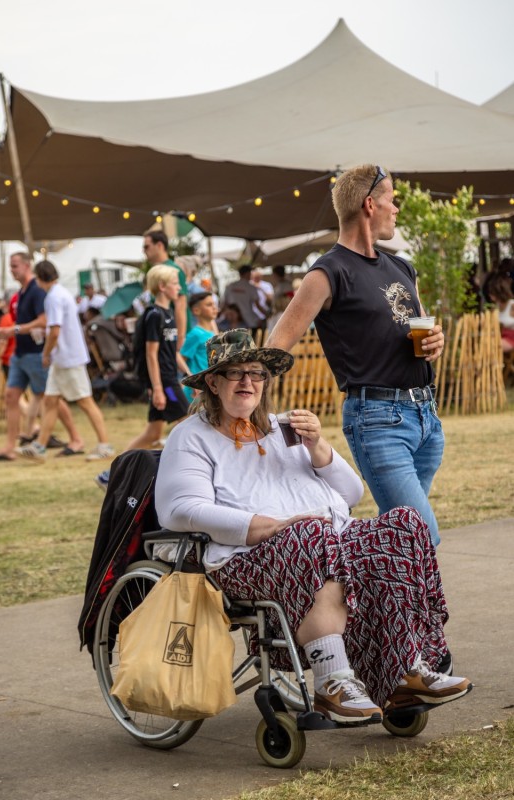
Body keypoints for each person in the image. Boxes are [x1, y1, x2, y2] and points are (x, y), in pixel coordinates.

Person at [155, 330, 472, 723]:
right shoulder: (191, 436)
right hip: (246, 555)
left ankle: (408, 667)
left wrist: (317, 445)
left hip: (322, 540)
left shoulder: (282, 427)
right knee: (312, 533)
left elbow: (353, 491)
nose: (247, 382)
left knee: (404, 523)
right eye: (235, 373)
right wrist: (269, 527)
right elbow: (179, 509)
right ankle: (332, 681)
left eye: (256, 373)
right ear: (212, 383)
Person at [266, 164, 445, 548]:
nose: (396, 208)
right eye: (392, 200)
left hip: (426, 420)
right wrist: (236, 395)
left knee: (399, 541)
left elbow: (417, 328)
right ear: (369, 204)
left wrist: (436, 342)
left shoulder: (402, 267)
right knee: (422, 538)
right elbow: (276, 346)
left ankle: (366, 602)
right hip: (379, 423)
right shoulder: (327, 274)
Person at [94, 265, 190, 492]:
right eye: (176, 284)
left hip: (171, 379)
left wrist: (189, 375)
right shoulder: (154, 315)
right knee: (187, 424)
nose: (179, 288)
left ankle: (112, 474)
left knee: (153, 433)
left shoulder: (169, 314)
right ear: (163, 287)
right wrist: (157, 387)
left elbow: (173, 351)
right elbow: (151, 354)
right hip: (165, 383)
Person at [0, 252, 81, 461]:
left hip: (36, 353)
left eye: (15, 265)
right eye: (11, 266)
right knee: (12, 397)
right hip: (20, 353)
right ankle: (10, 447)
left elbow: (44, 321)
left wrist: (14, 330)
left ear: (28, 266)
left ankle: (75, 438)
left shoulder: (37, 291)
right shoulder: (22, 292)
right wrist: (8, 333)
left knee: (52, 398)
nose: (12, 269)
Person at [15, 260, 115, 463]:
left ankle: (105, 445)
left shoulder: (53, 297)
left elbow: (55, 331)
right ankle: (40, 446)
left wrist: (45, 353)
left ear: (39, 277)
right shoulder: (60, 293)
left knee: (85, 401)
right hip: (64, 358)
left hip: (68, 358)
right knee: (50, 401)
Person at [142, 229, 190, 348]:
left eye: (147, 247)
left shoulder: (173, 270)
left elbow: (181, 306)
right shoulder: (156, 271)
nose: (144, 251)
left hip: (173, 337)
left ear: (159, 245)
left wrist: (180, 340)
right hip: (163, 336)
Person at [180, 291, 218, 402]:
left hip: (209, 386)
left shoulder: (212, 333)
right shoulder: (195, 334)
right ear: (196, 310)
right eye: (209, 305)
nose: (214, 308)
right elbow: (181, 358)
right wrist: (191, 378)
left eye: (214, 304)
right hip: (196, 390)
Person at [222, 265, 264, 331]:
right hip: (249, 321)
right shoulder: (251, 287)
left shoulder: (230, 286)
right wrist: (267, 314)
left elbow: (224, 304)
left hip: (232, 321)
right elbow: (258, 305)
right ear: (248, 273)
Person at [487, 274, 514, 353]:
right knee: (485, 343)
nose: (490, 295)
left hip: (511, 337)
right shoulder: (495, 307)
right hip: (499, 336)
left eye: (492, 293)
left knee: (493, 346)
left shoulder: (512, 305)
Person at [250, 268, 274, 342]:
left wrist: (260, 288)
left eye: (258, 276)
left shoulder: (266, 285)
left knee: (264, 336)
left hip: (263, 315)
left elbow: (271, 299)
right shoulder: (248, 284)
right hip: (251, 316)